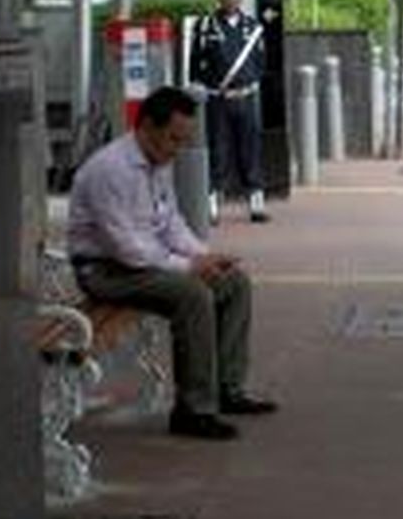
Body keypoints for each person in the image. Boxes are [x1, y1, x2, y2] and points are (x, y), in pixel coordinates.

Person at [67, 86, 278, 441]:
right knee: (192, 294)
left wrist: (202, 255)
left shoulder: (156, 160)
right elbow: (127, 249)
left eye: (184, 141)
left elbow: (171, 223)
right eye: (174, 139)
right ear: (147, 126)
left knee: (234, 282)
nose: (178, 149)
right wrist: (188, 268)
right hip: (104, 270)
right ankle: (193, 410)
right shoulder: (110, 170)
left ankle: (228, 388)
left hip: (140, 264)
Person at [190, 0, 269, 225]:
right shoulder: (204, 27)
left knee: (251, 149)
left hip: (246, 97)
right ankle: (212, 201)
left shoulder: (253, 28)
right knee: (217, 150)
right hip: (217, 99)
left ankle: (256, 201)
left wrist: (249, 83)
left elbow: (260, 63)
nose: (231, 1)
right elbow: (195, 64)